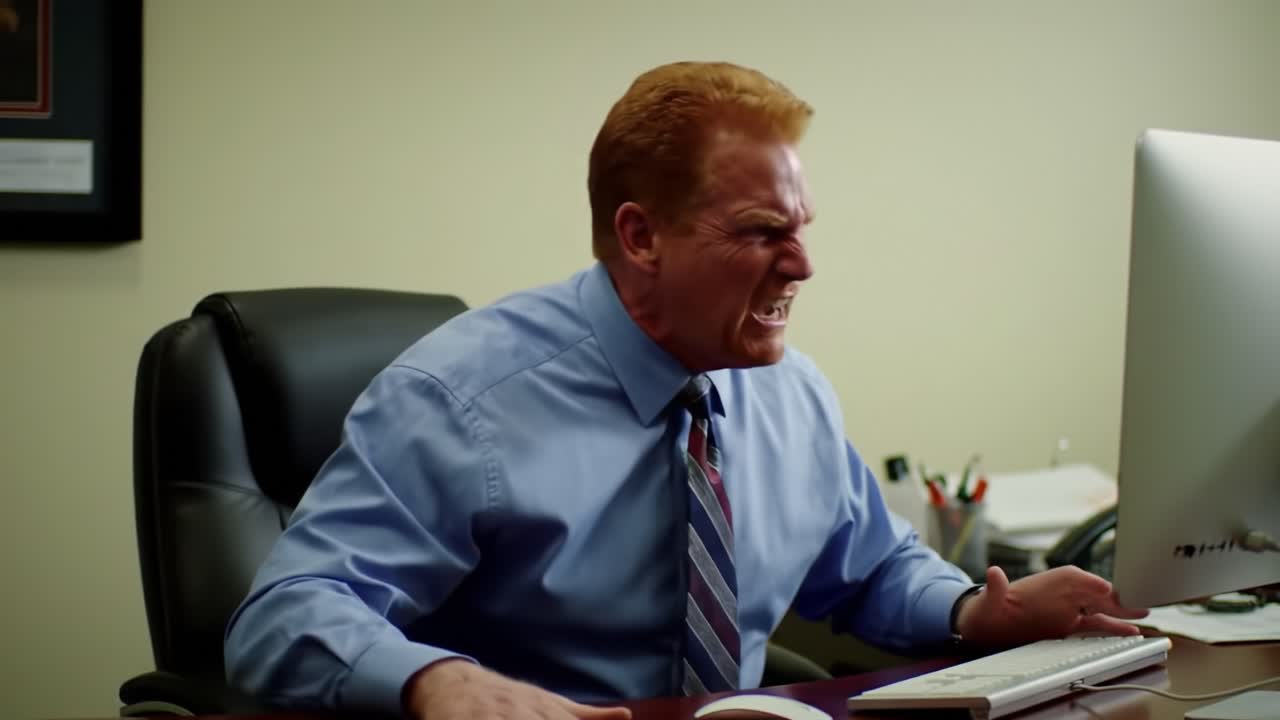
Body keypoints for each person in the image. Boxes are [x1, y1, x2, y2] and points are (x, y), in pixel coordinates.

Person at [224, 61, 1147, 720]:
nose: (804, 265)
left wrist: (971, 610)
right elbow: (283, 614)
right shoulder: (459, 401)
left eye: (803, 227)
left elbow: (867, 568)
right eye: (760, 232)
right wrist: (437, 681)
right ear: (640, 236)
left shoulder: (791, 392)